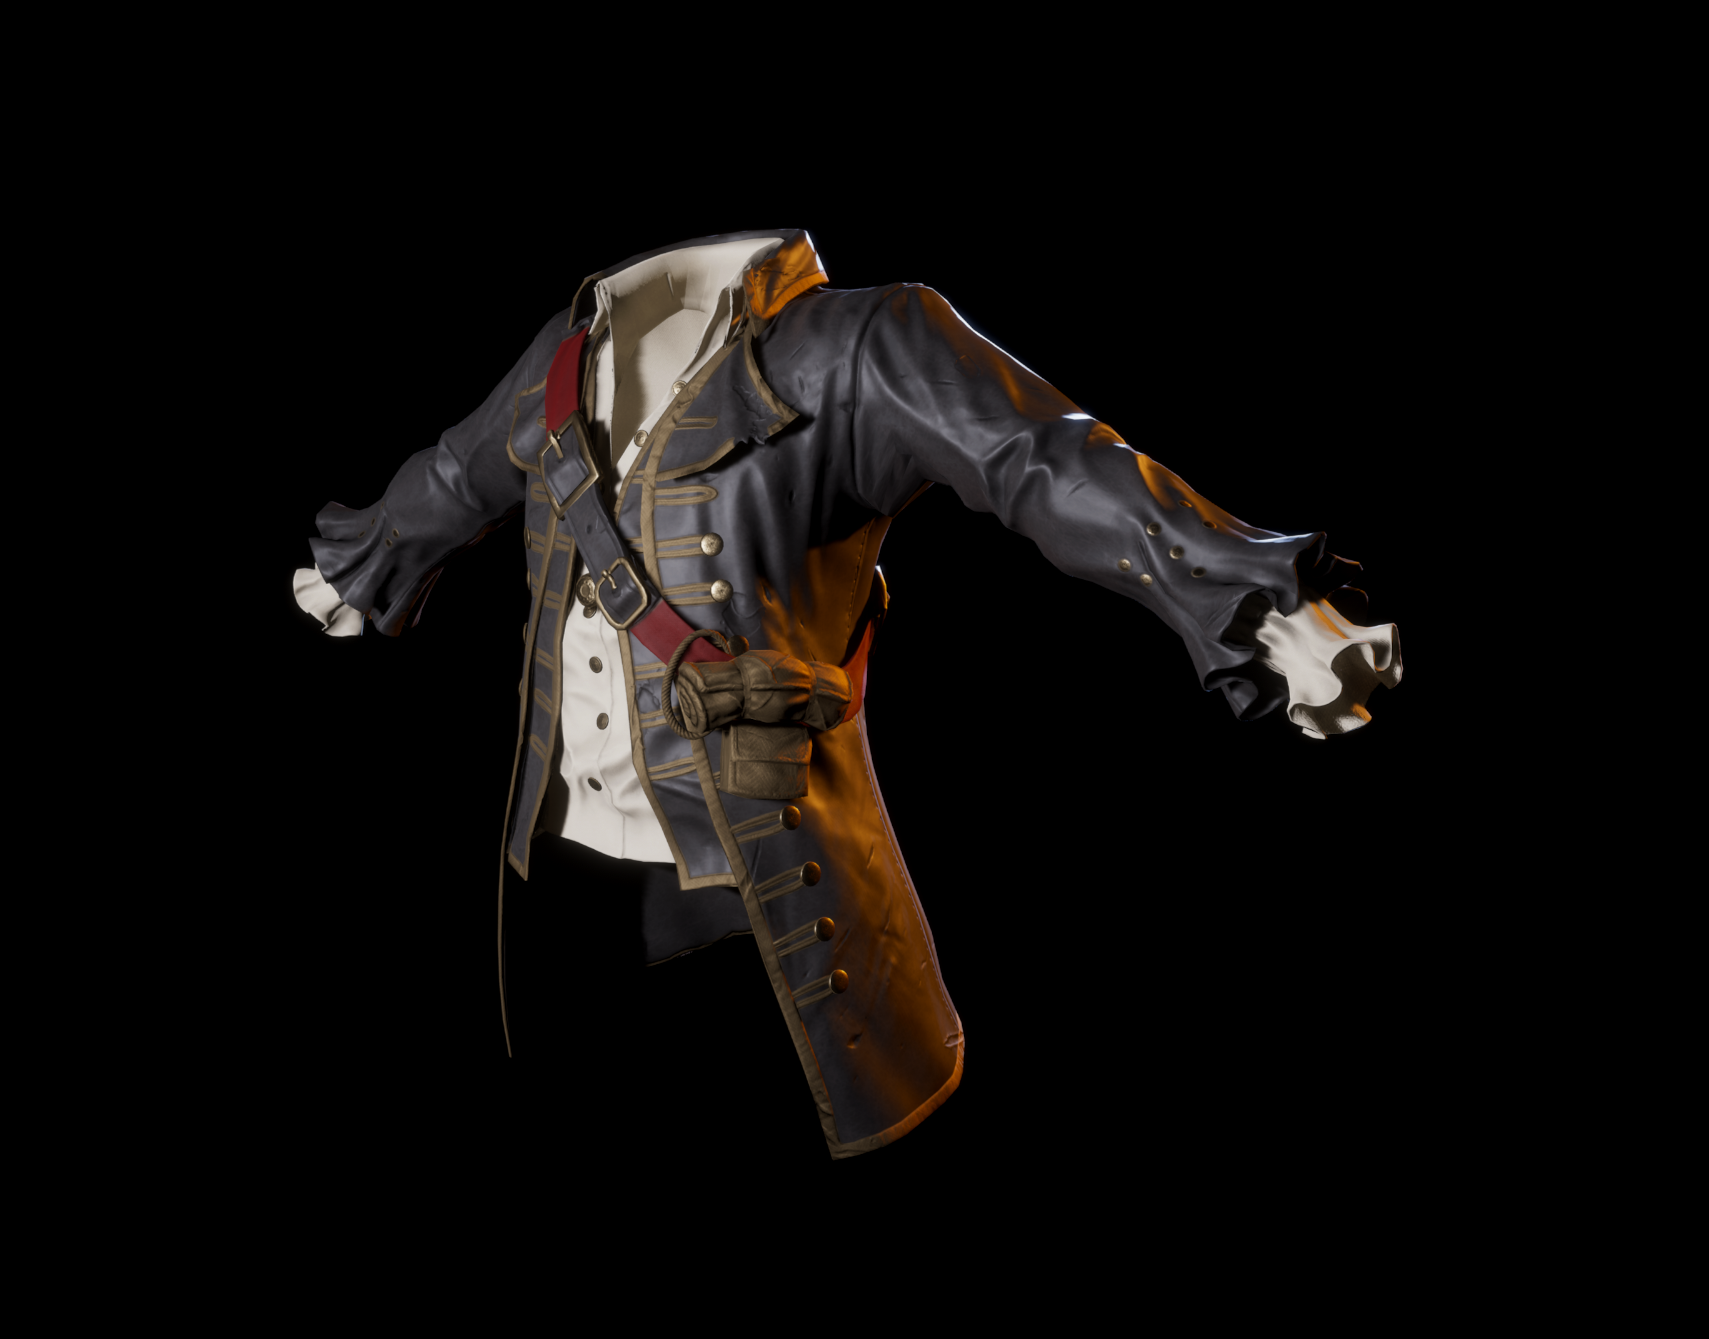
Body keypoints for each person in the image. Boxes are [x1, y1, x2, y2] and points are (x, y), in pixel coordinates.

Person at [293, 229, 1403, 1159]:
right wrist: (367, 558)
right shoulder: (568, 353)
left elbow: (1045, 460)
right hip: (559, 897)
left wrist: (1254, 597)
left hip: (765, 910)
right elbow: (458, 475)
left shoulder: (857, 343)